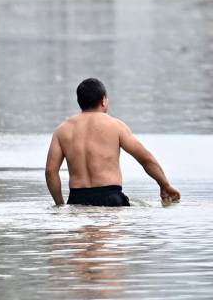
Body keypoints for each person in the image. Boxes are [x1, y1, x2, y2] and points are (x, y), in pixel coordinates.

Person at [45, 77, 181, 208]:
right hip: (111, 199)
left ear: (79, 101)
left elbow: (51, 171)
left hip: (77, 199)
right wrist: (165, 185)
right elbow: (146, 159)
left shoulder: (62, 130)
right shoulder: (115, 126)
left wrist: (60, 204)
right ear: (103, 100)